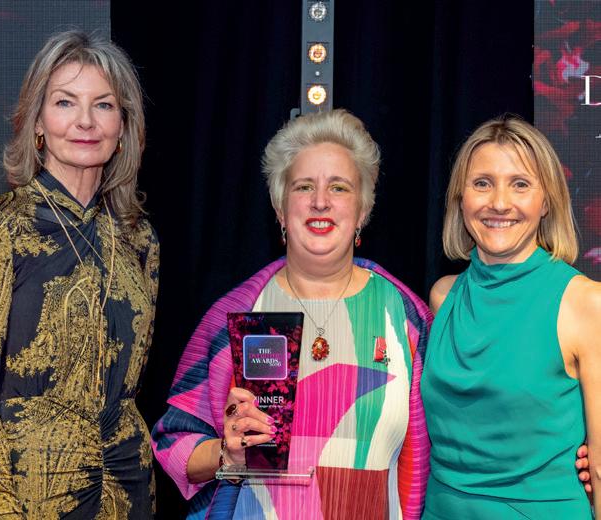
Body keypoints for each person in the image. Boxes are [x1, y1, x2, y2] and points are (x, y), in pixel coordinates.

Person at [152, 109, 432, 519]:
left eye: (339, 187)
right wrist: (228, 453)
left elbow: (444, 450)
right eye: (304, 186)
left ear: (363, 211)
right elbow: (172, 442)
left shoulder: (404, 316)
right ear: (281, 209)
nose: (320, 201)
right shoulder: (236, 314)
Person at [0, 30, 158, 518]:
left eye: (103, 105)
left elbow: (131, 384)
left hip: (129, 486)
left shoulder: (139, 238)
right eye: (66, 102)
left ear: (123, 126)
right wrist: (0, 509)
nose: (85, 121)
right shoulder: (0, 224)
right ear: (38, 123)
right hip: (29, 494)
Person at [421, 116, 599, 518]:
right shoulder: (443, 298)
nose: (499, 203)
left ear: (546, 201)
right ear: (460, 199)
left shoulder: (586, 303)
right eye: (482, 183)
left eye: (520, 184)